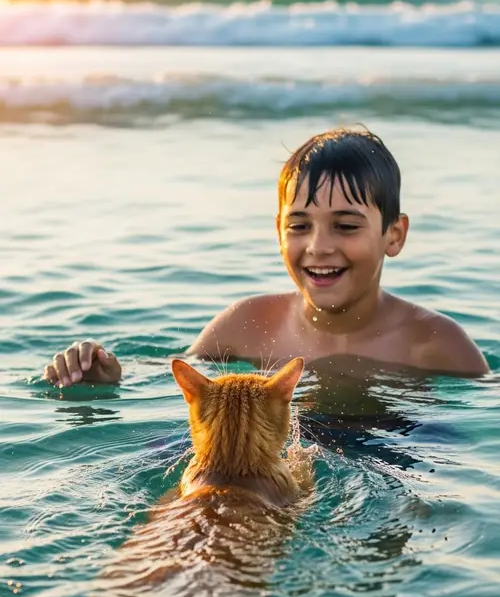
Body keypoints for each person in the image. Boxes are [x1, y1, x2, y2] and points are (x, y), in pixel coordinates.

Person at [43, 127, 489, 399]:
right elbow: (177, 376)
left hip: (383, 452)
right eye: (299, 226)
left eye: (346, 226)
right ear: (277, 231)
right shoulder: (246, 324)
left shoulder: (436, 344)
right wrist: (109, 378)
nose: (318, 245)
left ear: (395, 234)